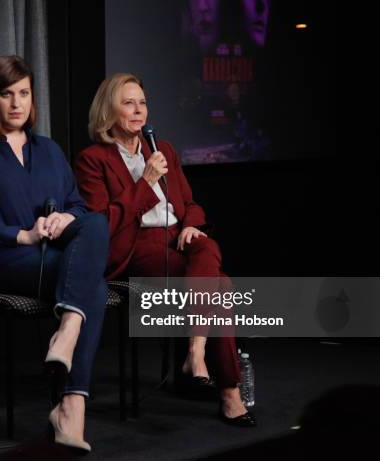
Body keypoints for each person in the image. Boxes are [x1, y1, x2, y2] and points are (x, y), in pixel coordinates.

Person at [0, 55, 109, 452]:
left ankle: (68, 346)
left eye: (24, 93)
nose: (17, 103)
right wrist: (22, 235)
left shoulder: (49, 150)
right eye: (6, 94)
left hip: (50, 258)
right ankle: (71, 404)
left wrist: (64, 219)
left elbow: (79, 206)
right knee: (94, 288)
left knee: (97, 223)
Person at [74, 73, 256, 427]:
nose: (138, 110)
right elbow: (102, 223)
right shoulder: (93, 159)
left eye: (142, 102)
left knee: (207, 245)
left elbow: (189, 203)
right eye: (128, 103)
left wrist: (190, 224)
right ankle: (227, 390)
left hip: (176, 237)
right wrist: (146, 183)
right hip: (133, 246)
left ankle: (196, 352)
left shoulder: (162, 149)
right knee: (221, 285)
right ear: (108, 110)